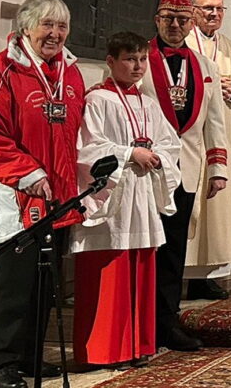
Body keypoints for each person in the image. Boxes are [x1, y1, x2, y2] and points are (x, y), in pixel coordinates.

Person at [0, 0, 85, 388]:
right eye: (47, 25)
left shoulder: (70, 73)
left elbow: (73, 132)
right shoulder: (0, 71)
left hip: (57, 193)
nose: (55, 34)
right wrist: (29, 173)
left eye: (62, 26)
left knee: (46, 281)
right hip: (18, 194)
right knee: (15, 283)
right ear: (25, 28)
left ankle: (31, 356)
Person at [70, 32, 181, 368]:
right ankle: (104, 350)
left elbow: (169, 142)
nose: (138, 67)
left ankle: (136, 345)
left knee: (141, 269)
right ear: (111, 61)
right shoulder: (98, 100)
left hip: (142, 193)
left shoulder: (148, 103)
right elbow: (87, 148)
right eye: (130, 59)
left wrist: (158, 157)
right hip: (113, 199)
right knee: (111, 273)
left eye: (142, 59)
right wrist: (131, 152)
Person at [139, 0, 229, 351]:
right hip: (145, 171)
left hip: (188, 169)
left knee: (174, 251)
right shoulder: (140, 59)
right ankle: (138, 326)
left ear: (191, 23)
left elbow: (215, 119)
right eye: (168, 19)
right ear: (157, 20)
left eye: (181, 20)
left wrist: (219, 166)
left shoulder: (205, 67)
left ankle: (167, 322)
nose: (175, 26)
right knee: (144, 249)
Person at [183, 0, 231, 300]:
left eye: (218, 9)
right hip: (190, 134)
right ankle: (182, 272)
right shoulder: (182, 43)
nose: (213, 14)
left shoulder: (229, 48)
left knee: (217, 204)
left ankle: (207, 275)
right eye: (207, 9)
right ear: (193, 11)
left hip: (223, 133)